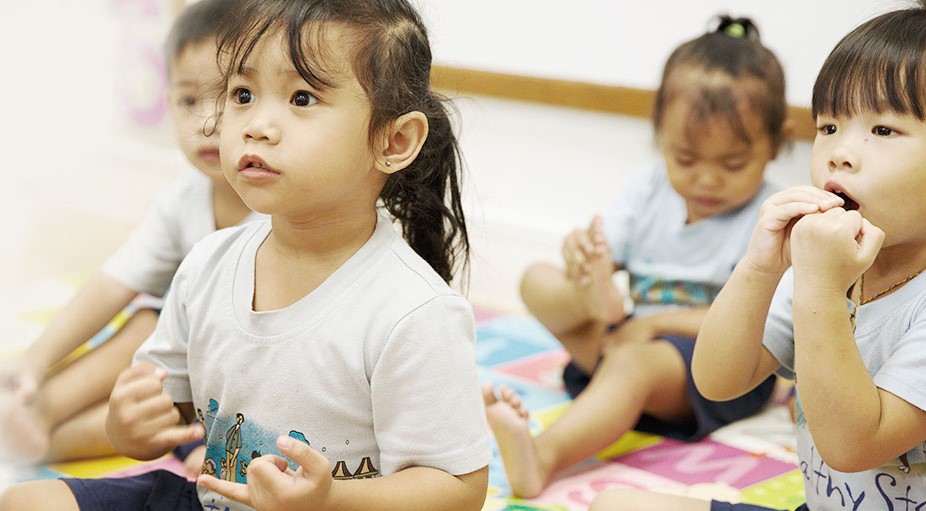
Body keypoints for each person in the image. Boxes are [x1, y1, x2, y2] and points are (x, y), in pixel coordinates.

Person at [0, 0, 491, 509]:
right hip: (213, 501)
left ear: (394, 140)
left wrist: (329, 500)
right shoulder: (207, 264)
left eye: (301, 97)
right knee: (26, 500)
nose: (257, 125)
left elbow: (460, 488)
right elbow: (167, 411)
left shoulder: (414, 311)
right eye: (243, 94)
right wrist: (127, 425)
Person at [589, 3, 926, 510]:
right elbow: (718, 380)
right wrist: (761, 266)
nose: (839, 153)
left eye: (882, 130)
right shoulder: (824, 268)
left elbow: (852, 446)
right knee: (615, 504)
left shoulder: (832, 281)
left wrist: (818, 287)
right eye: (829, 127)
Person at [483, 16, 792, 498]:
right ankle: (594, 315)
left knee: (634, 362)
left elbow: (762, 320)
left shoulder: (771, 217)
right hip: (627, 336)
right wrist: (585, 264)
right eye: (685, 158)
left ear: (776, 144)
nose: (707, 179)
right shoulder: (647, 189)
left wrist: (653, 324)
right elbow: (604, 253)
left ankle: (543, 456)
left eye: (732, 164)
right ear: (660, 135)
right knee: (537, 278)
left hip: (717, 370)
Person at [0, 0, 256, 468]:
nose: (207, 122)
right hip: (178, 369)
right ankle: (36, 409)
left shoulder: (288, 211)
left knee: (159, 393)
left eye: (234, 97)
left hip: (240, 385)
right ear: (169, 104)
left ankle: (40, 437)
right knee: (148, 323)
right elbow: (115, 281)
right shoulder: (186, 197)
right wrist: (35, 360)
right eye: (189, 101)